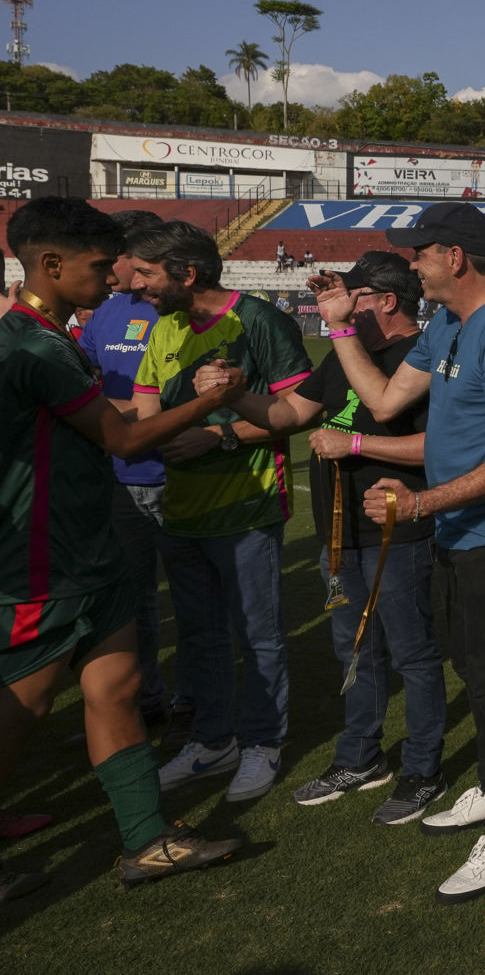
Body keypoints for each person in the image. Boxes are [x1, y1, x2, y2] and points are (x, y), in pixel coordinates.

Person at [0, 197, 248, 897]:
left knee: (117, 687)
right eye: (100, 266)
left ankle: (147, 840)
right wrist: (212, 397)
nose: (113, 279)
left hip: (87, 549)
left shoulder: (49, 336)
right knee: (22, 708)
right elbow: (123, 437)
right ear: (49, 265)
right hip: (42, 562)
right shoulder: (33, 345)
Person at [309, 202, 485, 903]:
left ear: (456, 257)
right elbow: (383, 401)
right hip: (458, 529)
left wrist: (419, 503)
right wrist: (336, 324)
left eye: (421, 252)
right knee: (472, 665)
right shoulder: (450, 321)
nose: (413, 264)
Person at [201, 251, 446, 824]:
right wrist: (232, 393)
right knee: (354, 649)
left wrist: (356, 446)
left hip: (399, 529)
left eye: (354, 297)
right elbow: (286, 415)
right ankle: (360, 756)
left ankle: (422, 768)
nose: (340, 307)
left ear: (387, 301)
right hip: (339, 535)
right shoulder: (343, 353)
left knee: (413, 654)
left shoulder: (423, 354)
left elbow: (438, 446)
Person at [129, 223, 312, 805]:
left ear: (188, 273)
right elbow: (144, 408)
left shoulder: (259, 320)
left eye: (147, 274)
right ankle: (212, 740)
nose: (135, 285)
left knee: (258, 636)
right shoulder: (164, 328)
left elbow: (301, 411)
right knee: (199, 637)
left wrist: (221, 436)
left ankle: (262, 742)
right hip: (178, 510)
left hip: (247, 506)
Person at [75, 210, 174, 731]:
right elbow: (86, 375)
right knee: (134, 604)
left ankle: (204, 701)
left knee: (199, 600)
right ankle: (150, 695)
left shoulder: (173, 309)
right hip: (119, 478)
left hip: (180, 475)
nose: (114, 266)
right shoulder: (108, 310)